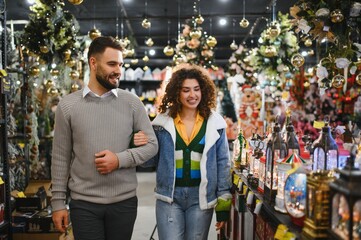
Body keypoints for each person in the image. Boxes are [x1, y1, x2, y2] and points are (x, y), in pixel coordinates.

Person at [51, 36, 158, 240]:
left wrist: (119, 160)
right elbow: (60, 158)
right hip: (83, 204)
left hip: (124, 203)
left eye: (120, 64)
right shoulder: (68, 106)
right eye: (111, 64)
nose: (118, 70)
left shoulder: (132, 103)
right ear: (93, 63)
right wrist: (57, 203)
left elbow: (152, 145)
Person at [145, 64, 232, 240]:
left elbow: (223, 162)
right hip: (169, 197)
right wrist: (139, 142)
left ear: (203, 91)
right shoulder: (162, 123)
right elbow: (148, 161)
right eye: (186, 90)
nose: (192, 95)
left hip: (201, 197)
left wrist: (223, 205)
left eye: (196, 89)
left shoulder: (216, 123)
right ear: (177, 92)